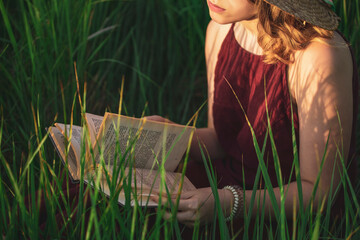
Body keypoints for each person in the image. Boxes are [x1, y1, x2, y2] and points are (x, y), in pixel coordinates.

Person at [147, 0, 358, 234]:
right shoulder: (220, 30)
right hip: (222, 188)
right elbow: (221, 140)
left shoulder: (317, 55)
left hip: (284, 215)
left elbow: (319, 194)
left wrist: (229, 203)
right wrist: (175, 137)